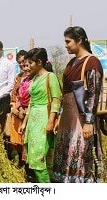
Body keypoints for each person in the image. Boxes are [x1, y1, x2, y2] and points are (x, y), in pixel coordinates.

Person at [52, 26, 105, 182]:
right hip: (68, 120)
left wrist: (89, 122)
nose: (66, 45)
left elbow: (93, 93)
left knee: (82, 155)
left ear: (79, 40)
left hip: (81, 120)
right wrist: (60, 117)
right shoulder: (71, 63)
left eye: (68, 41)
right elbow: (64, 94)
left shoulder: (91, 62)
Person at [19, 48, 62, 183]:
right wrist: (25, 123)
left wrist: (50, 122)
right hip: (32, 121)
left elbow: (56, 100)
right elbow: (31, 103)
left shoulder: (50, 77)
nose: (28, 66)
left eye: (30, 63)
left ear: (39, 62)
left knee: (39, 158)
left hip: (43, 119)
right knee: (32, 158)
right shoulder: (35, 78)